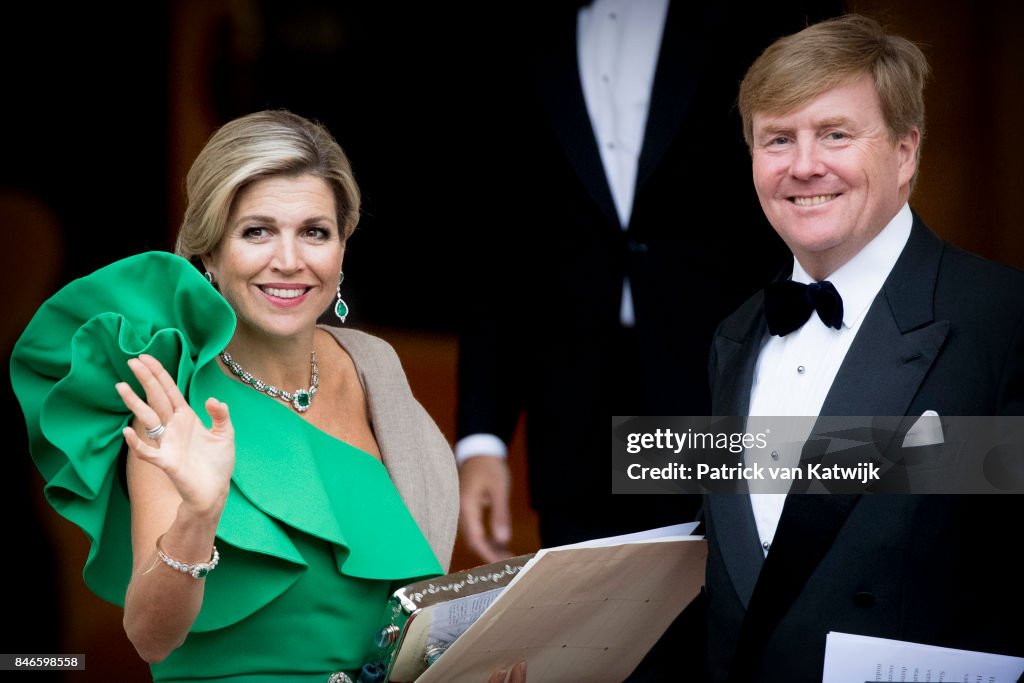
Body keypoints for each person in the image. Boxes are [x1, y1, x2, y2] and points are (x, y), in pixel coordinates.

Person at [10, 110, 459, 682]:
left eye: (314, 232)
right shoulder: (171, 387)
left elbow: (415, 618)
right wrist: (199, 514)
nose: (290, 260)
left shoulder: (376, 369)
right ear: (210, 256)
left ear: (343, 249)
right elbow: (150, 638)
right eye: (257, 231)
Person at [456, 0, 844, 560]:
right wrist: (481, 438)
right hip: (569, 414)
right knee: (584, 633)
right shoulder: (517, 30)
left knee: (719, 614)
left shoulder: (756, 15)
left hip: (727, 387)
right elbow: (498, 237)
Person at [703, 14, 1024, 681]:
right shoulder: (732, 338)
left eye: (835, 134)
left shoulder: (1004, 319)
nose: (804, 165)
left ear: (906, 151)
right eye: (778, 139)